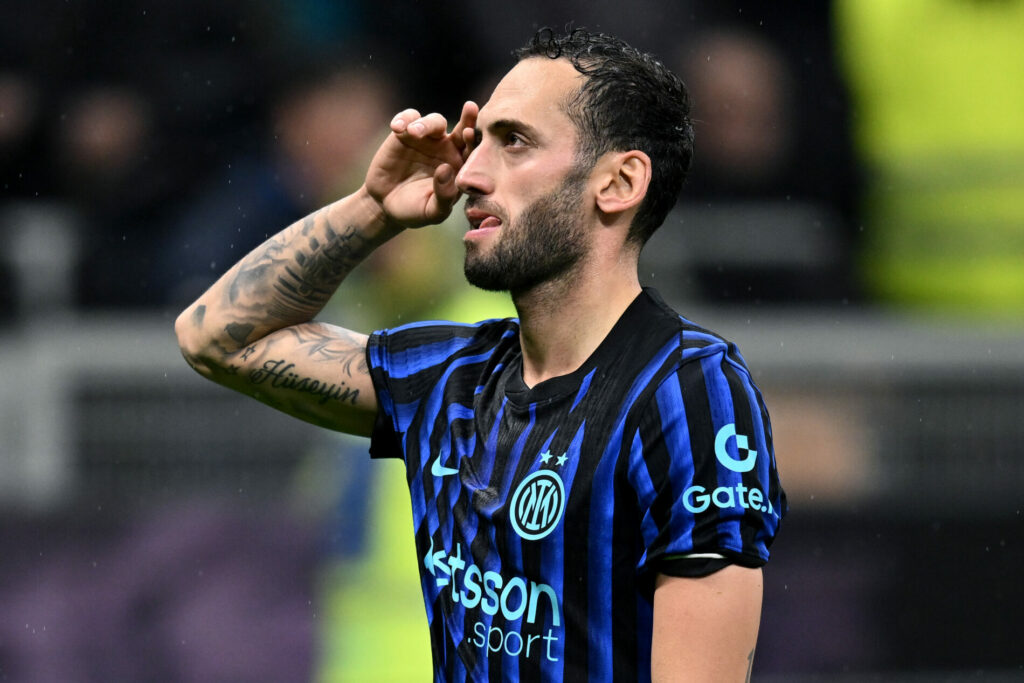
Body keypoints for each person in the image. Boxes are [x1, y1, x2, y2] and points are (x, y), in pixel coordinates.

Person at [175, 28, 785, 682]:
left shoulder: (688, 392)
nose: (468, 173)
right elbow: (218, 338)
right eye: (478, 142)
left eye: (514, 141)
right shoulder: (450, 378)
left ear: (618, 181)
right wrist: (372, 209)